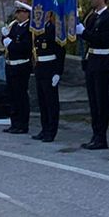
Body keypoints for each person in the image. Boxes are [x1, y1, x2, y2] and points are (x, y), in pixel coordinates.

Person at [79, 0, 109, 151]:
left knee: (101, 101)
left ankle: (101, 137)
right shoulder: (91, 17)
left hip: (102, 61)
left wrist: (84, 33)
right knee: (93, 101)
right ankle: (95, 135)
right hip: (92, 61)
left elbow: (102, 39)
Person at [32, 8, 65, 142]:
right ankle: (44, 128)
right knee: (42, 101)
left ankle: (51, 131)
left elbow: (60, 51)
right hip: (40, 67)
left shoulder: (54, 29)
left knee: (51, 102)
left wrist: (58, 72)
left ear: (49, 14)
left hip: (50, 67)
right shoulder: (38, 30)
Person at [3, 1, 35, 135]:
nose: (17, 14)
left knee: (21, 96)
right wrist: (4, 37)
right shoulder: (14, 26)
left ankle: (23, 124)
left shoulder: (29, 28)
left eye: (20, 12)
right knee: (12, 96)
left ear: (26, 13)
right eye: (17, 12)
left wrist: (10, 44)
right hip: (11, 64)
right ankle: (14, 122)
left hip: (22, 65)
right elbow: (6, 41)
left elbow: (25, 47)